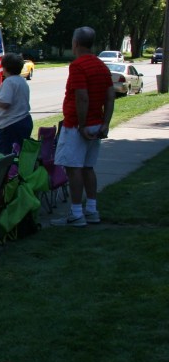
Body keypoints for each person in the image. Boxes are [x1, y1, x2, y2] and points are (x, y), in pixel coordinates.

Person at [52, 27, 115, 227]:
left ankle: (76, 213)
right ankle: (92, 210)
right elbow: (110, 95)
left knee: (74, 169)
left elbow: (82, 96)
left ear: (76, 43)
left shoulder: (78, 66)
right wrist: (105, 123)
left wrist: (80, 125)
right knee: (88, 168)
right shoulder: (101, 66)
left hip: (77, 126)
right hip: (96, 123)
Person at [0, 52, 33, 156]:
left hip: (9, 125)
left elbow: (5, 103)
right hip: (23, 121)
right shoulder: (21, 81)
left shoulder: (9, 82)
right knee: (18, 156)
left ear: (5, 67)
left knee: (4, 158)